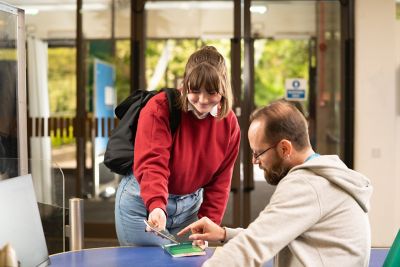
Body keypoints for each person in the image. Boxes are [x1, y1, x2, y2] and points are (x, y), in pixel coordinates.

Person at [178, 99, 373, 266]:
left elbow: (254, 245)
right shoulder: (324, 176)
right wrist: (223, 234)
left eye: (258, 152)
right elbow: (273, 233)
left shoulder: (307, 185)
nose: (255, 161)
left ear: (285, 148)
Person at [115, 46, 241, 246]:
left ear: (224, 89)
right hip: (144, 201)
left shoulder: (229, 124)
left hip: (190, 208)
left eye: (211, 92)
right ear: (185, 83)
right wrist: (156, 205)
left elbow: (220, 182)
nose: (202, 100)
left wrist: (209, 222)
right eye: (195, 90)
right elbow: (153, 163)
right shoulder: (160, 108)